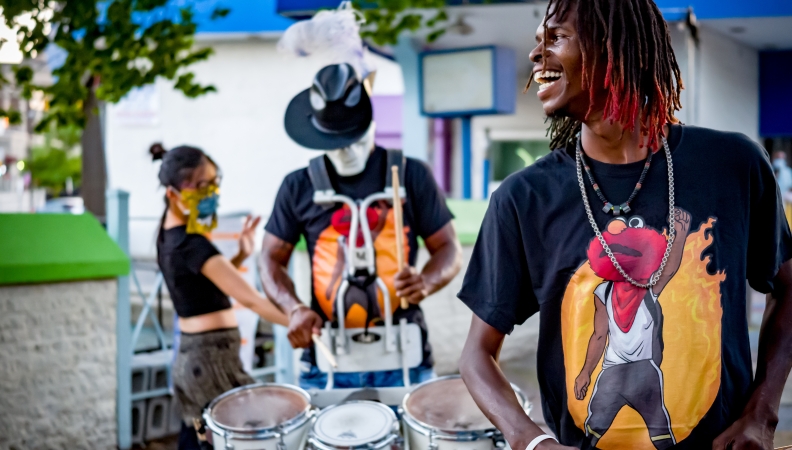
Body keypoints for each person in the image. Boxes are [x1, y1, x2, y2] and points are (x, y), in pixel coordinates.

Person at [457, 1, 792, 449]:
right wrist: (529, 439)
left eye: (555, 37)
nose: (536, 56)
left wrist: (761, 415)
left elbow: (789, 288)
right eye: (537, 42)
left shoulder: (733, 165)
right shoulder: (524, 198)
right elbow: (477, 354)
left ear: (615, 48)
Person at [259, 63, 462, 389]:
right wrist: (293, 308)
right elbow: (269, 258)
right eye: (334, 140)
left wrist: (426, 280)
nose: (345, 148)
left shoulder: (412, 175)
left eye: (350, 137)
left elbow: (448, 248)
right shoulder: (298, 185)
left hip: (404, 353)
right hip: (326, 355)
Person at [151, 144, 288, 449]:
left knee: (199, 438)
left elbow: (206, 285)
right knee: (252, 434)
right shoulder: (192, 244)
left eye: (214, 183)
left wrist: (240, 254)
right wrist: (302, 322)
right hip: (211, 361)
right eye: (201, 185)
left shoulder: (167, 235)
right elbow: (252, 300)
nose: (211, 192)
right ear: (173, 194)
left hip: (192, 360)